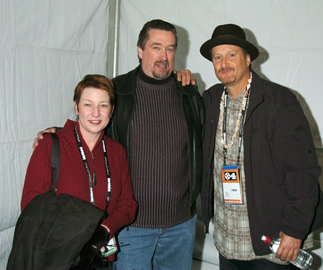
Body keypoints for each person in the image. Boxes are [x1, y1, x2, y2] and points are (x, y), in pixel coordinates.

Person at [34, 19, 204, 270]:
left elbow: (200, 143)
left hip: (180, 226)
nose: (164, 56)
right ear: (139, 50)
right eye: (156, 47)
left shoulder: (188, 93)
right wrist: (57, 133)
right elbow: (92, 125)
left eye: (170, 49)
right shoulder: (117, 90)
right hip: (130, 227)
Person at [200, 24, 323, 269]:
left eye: (231, 55)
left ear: (248, 59)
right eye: (217, 57)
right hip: (228, 237)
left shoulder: (279, 101)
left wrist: (294, 229)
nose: (223, 63)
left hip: (274, 237)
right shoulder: (211, 100)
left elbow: (303, 171)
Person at [21, 74, 137, 268]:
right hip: (58, 257)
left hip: (99, 256)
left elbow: (128, 204)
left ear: (112, 110)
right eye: (88, 105)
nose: (96, 113)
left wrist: (104, 230)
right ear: (76, 107)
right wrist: (73, 235)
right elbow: (30, 204)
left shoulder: (116, 152)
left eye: (103, 105)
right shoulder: (51, 144)